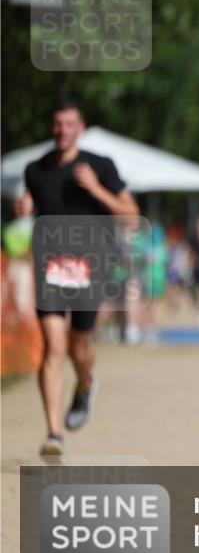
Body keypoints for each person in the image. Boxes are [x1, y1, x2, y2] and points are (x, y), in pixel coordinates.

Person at [13, 99, 140, 456]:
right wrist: (25, 208)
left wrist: (97, 190)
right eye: (57, 124)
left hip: (90, 267)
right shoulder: (35, 170)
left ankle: (85, 382)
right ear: (52, 127)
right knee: (53, 346)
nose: (62, 130)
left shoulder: (100, 166)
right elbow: (35, 205)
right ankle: (54, 434)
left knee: (77, 348)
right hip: (51, 267)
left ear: (80, 128)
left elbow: (131, 215)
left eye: (69, 124)